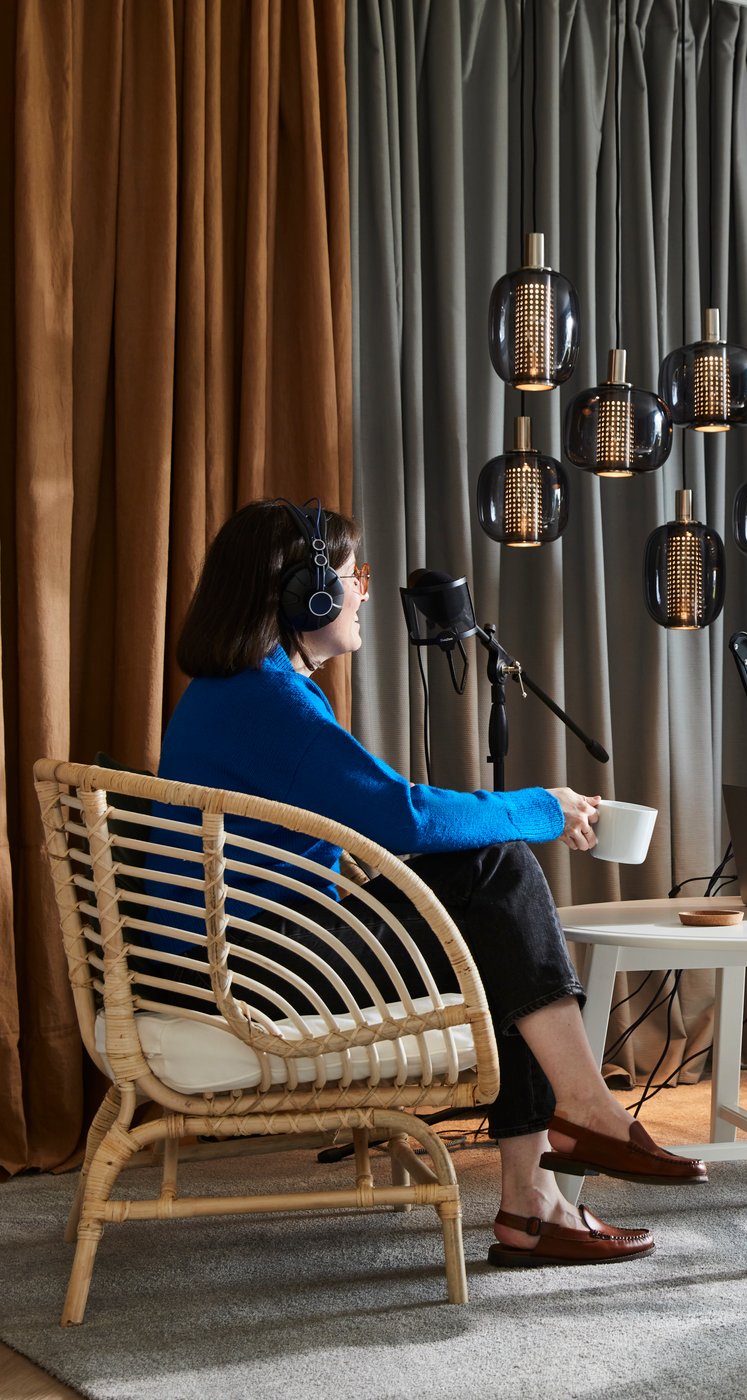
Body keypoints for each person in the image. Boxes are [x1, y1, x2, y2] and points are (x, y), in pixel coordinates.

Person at [152, 497, 706, 1266]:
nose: (364, 593)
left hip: (254, 955)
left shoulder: (241, 691)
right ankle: (574, 1128)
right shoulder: (263, 697)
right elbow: (402, 816)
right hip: (261, 972)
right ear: (303, 595)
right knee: (496, 867)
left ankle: (535, 1201)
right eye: (353, 576)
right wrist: (541, 807)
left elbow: (389, 816)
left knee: (493, 920)